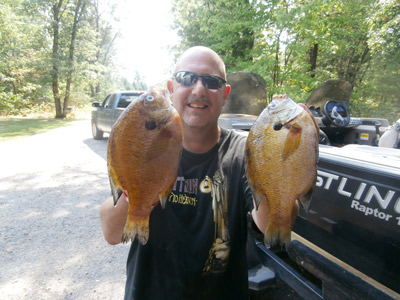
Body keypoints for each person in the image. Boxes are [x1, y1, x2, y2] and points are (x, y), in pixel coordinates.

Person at [99, 46, 268, 300]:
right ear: (171, 88)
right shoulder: (148, 144)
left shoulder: (243, 152)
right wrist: (139, 191)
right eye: (187, 78)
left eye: (211, 81)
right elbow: (112, 233)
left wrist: (278, 158)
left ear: (225, 94)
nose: (199, 89)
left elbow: (268, 223)